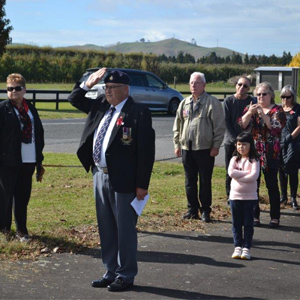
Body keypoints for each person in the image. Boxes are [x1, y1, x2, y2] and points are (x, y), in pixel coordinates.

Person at [68, 68, 155, 292]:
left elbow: (146, 152)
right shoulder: (100, 105)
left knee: (124, 230)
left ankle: (126, 274)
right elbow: (74, 98)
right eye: (105, 87)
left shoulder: (138, 112)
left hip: (125, 180)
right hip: (100, 175)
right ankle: (110, 270)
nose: (107, 91)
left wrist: (142, 185)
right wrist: (89, 82)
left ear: (125, 90)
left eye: (111, 88)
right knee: (106, 227)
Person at [173, 72, 225, 222]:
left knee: (204, 181)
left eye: (196, 83)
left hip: (205, 149)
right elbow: (177, 125)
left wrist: (216, 146)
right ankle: (192, 209)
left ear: (204, 85)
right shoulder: (184, 103)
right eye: (191, 83)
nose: (193, 86)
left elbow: (220, 127)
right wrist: (177, 144)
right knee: (189, 181)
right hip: (187, 149)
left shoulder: (212, 103)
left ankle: (205, 211)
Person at [0, 73, 45, 241]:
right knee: (5, 197)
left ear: (24, 90)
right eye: (10, 89)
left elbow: (39, 132)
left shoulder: (30, 108)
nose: (13, 92)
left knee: (22, 197)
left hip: (28, 160)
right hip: (7, 161)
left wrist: (39, 158)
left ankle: (22, 230)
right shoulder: (3, 109)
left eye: (17, 88)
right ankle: (4, 230)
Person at [239, 82, 286, 228]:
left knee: (272, 186)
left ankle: (275, 217)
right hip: (254, 153)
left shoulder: (277, 110)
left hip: (271, 153)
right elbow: (242, 124)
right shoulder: (250, 108)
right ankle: (255, 216)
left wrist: (261, 113)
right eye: (258, 94)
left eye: (264, 94)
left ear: (271, 95)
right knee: (254, 185)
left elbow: (274, 127)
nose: (260, 97)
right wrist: (249, 113)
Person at [228, 132, 260, 260]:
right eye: (239, 144)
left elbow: (254, 176)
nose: (241, 147)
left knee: (248, 223)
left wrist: (239, 175)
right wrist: (245, 173)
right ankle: (237, 246)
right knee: (236, 223)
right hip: (235, 197)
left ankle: (246, 247)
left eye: (244, 144)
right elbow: (231, 172)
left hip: (250, 198)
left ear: (250, 145)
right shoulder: (234, 159)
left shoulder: (254, 160)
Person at [224, 76, 256, 202]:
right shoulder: (228, 101)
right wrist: (235, 141)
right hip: (230, 141)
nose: (241, 87)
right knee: (230, 170)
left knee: (247, 169)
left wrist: (245, 141)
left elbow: (252, 122)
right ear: (236, 85)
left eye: (245, 86)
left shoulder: (252, 101)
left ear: (249, 89)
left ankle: (247, 194)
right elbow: (226, 122)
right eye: (240, 84)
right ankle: (230, 195)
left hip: (247, 142)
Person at [278, 85, 300, 210]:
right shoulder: (279, 109)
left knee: (292, 170)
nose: (285, 99)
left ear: (293, 97)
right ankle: (283, 196)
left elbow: (299, 126)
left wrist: (290, 138)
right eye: (283, 97)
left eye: (288, 97)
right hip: (280, 142)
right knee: (281, 169)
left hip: (292, 142)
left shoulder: (297, 108)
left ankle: (293, 197)